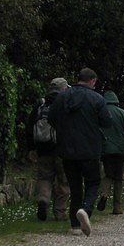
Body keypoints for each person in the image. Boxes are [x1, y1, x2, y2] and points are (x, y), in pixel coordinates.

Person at [47, 68, 112, 236]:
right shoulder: (96, 98)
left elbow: (51, 119)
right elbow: (106, 122)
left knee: (75, 186)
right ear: (92, 81)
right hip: (90, 148)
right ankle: (86, 209)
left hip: (67, 148)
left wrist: (64, 131)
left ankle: (75, 225)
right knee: (92, 182)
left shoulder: (62, 97)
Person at [27, 77, 70, 222]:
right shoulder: (66, 103)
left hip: (43, 148)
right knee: (63, 181)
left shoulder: (41, 103)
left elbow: (29, 126)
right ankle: (60, 212)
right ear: (63, 88)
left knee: (44, 178)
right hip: (62, 148)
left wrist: (32, 148)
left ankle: (43, 200)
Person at [97, 91, 124, 215]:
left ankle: (104, 194)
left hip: (105, 149)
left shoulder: (99, 113)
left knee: (108, 174)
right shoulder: (123, 114)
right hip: (120, 150)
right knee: (119, 177)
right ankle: (117, 206)